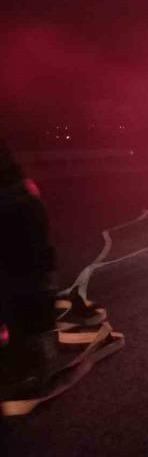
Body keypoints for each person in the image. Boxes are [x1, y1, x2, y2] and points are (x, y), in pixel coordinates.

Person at [0, 140, 58, 394]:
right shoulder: (22, 192)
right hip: (24, 267)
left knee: (28, 313)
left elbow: (36, 243)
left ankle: (36, 366)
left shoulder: (19, 196)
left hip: (26, 268)